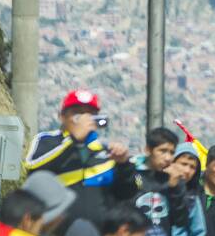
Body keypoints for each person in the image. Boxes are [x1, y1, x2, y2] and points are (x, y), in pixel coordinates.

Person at [23, 90, 137, 228]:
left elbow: (128, 192)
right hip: (56, 235)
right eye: (77, 113)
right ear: (62, 116)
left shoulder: (106, 152)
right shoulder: (47, 141)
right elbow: (32, 166)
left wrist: (124, 165)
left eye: (90, 114)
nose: (84, 119)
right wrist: (73, 140)